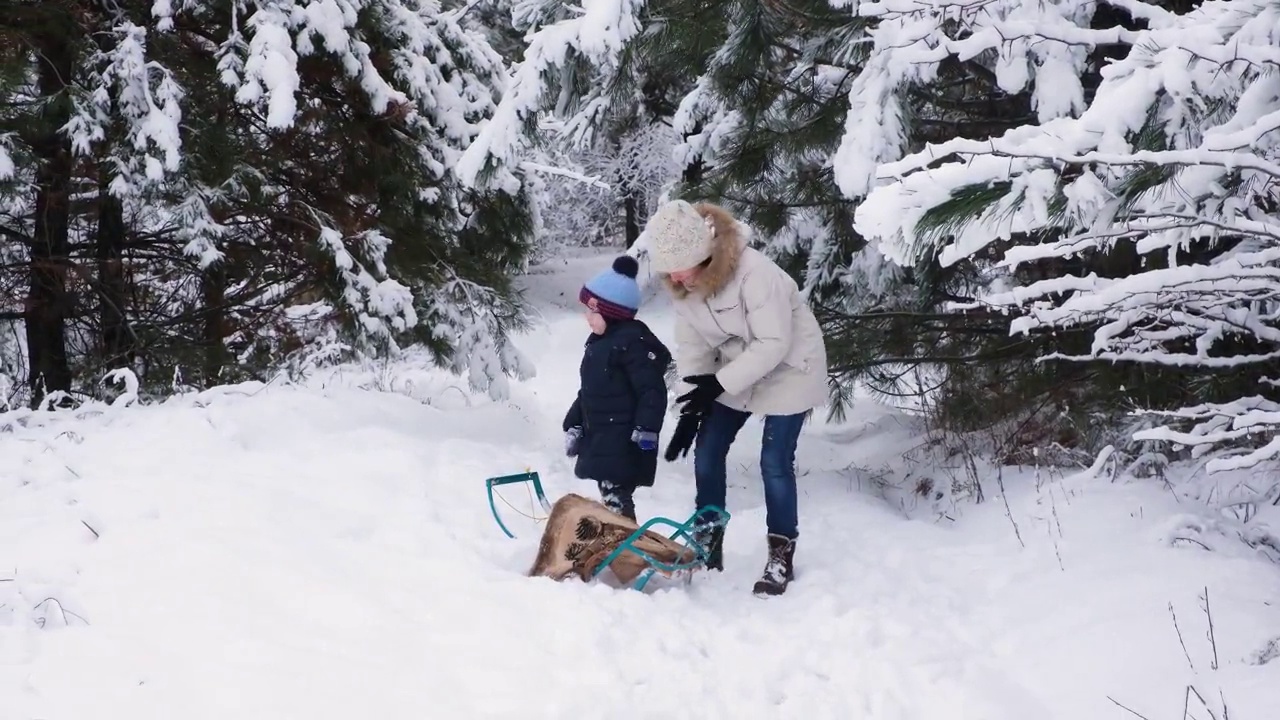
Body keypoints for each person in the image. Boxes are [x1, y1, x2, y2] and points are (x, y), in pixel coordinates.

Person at [644, 199, 829, 596]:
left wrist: (719, 383)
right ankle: (709, 539)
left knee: (774, 460)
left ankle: (780, 554)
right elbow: (692, 348)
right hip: (736, 369)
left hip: (790, 366)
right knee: (707, 448)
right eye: (668, 269)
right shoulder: (683, 285)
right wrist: (691, 406)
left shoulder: (755, 274)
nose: (675, 276)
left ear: (704, 255)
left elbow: (774, 342)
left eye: (681, 265)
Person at [563, 255, 673, 521]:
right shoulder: (600, 345)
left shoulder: (631, 345)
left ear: (611, 314)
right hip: (603, 439)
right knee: (611, 494)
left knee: (616, 495)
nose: (586, 317)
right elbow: (589, 393)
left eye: (592, 311)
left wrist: (646, 429)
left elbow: (652, 391)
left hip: (624, 441)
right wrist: (574, 422)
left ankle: (626, 547)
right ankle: (621, 544)